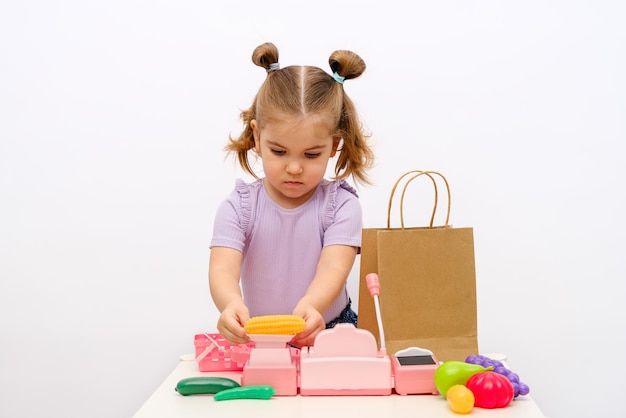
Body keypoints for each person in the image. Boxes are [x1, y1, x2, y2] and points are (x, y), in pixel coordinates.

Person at [209, 42, 374, 348]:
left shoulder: (341, 205)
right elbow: (222, 267)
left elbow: (334, 266)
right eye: (279, 151)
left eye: (311, 154)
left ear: (334, 145)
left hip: (327, 327)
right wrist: (230, 304)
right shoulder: (239, 206)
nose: (294, 168)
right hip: (259, 334)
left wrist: (313, 304)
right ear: (257, 136)